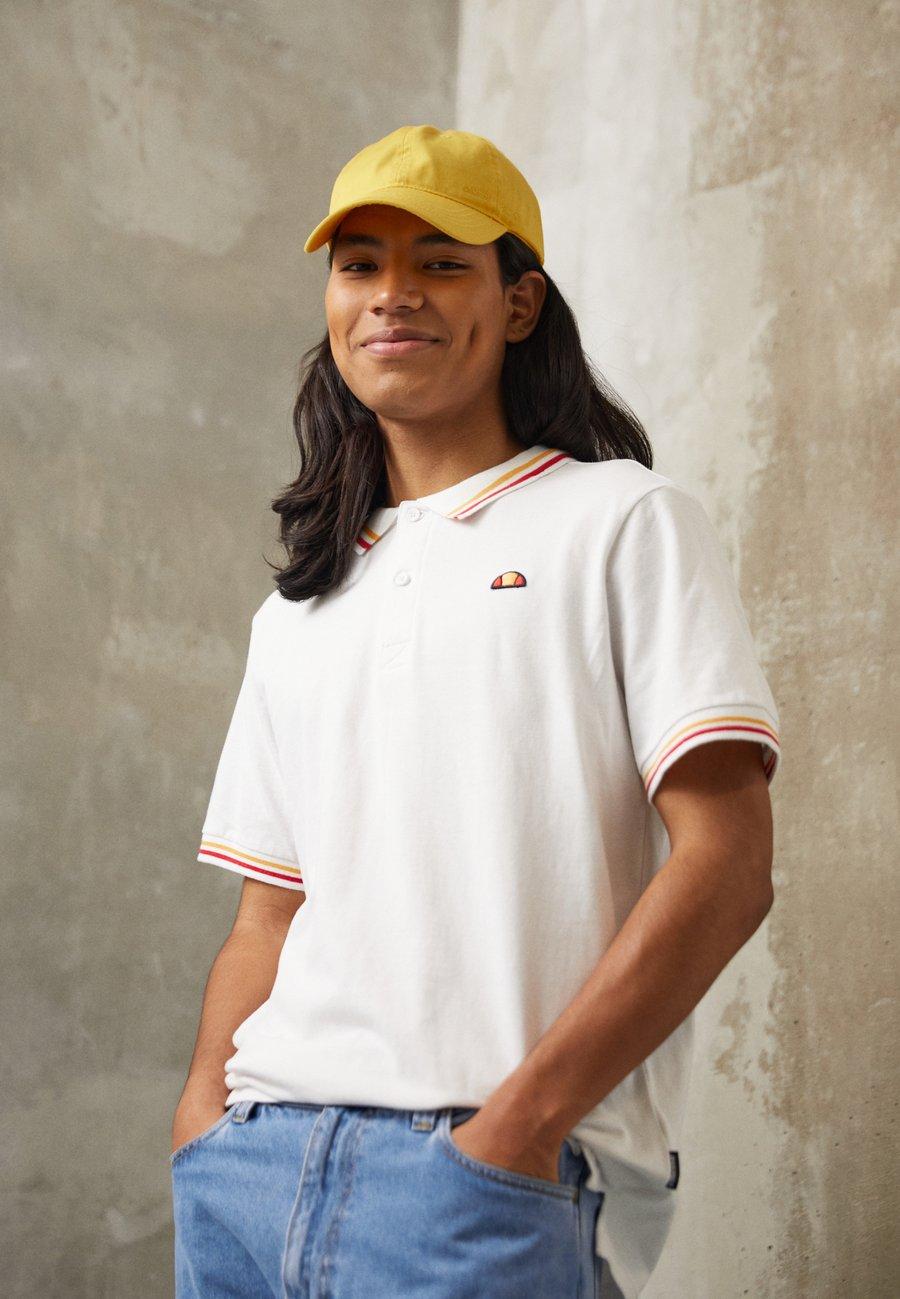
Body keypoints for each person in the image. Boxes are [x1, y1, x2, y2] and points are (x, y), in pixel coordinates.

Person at [169, 125, 782, 1299]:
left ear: (518, 303)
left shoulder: (622, 521)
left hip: (476, 1179)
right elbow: (269, 913)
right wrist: (203, 1123)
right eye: (359, 263)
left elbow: (729, 861)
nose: (392, 293)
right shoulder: (299, 604)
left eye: (441, 262)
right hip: (251, 1171)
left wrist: (522, 1126)